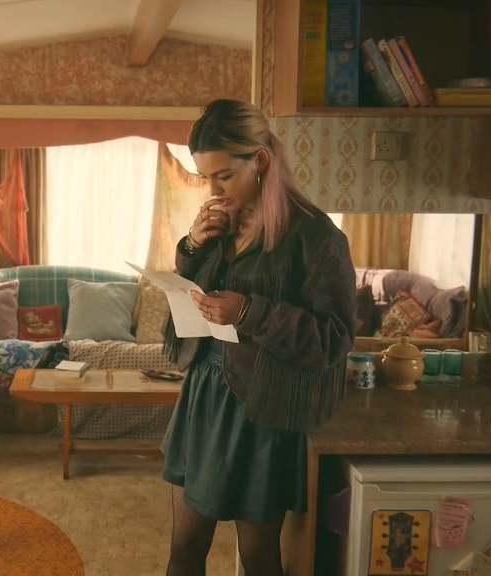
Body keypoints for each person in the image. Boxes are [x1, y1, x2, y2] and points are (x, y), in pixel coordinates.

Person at [160, 99, 357, 576]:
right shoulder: (221, 221)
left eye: (223, 175)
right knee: (184, 547)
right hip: (204, 396)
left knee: (258, 556)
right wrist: (192, 246)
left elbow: (334, 339)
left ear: (261, 161)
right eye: (205, 177)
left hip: (264, 409)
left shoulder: (317, 238)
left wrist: (251, 312)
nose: (213, 190)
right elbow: (190, 289)